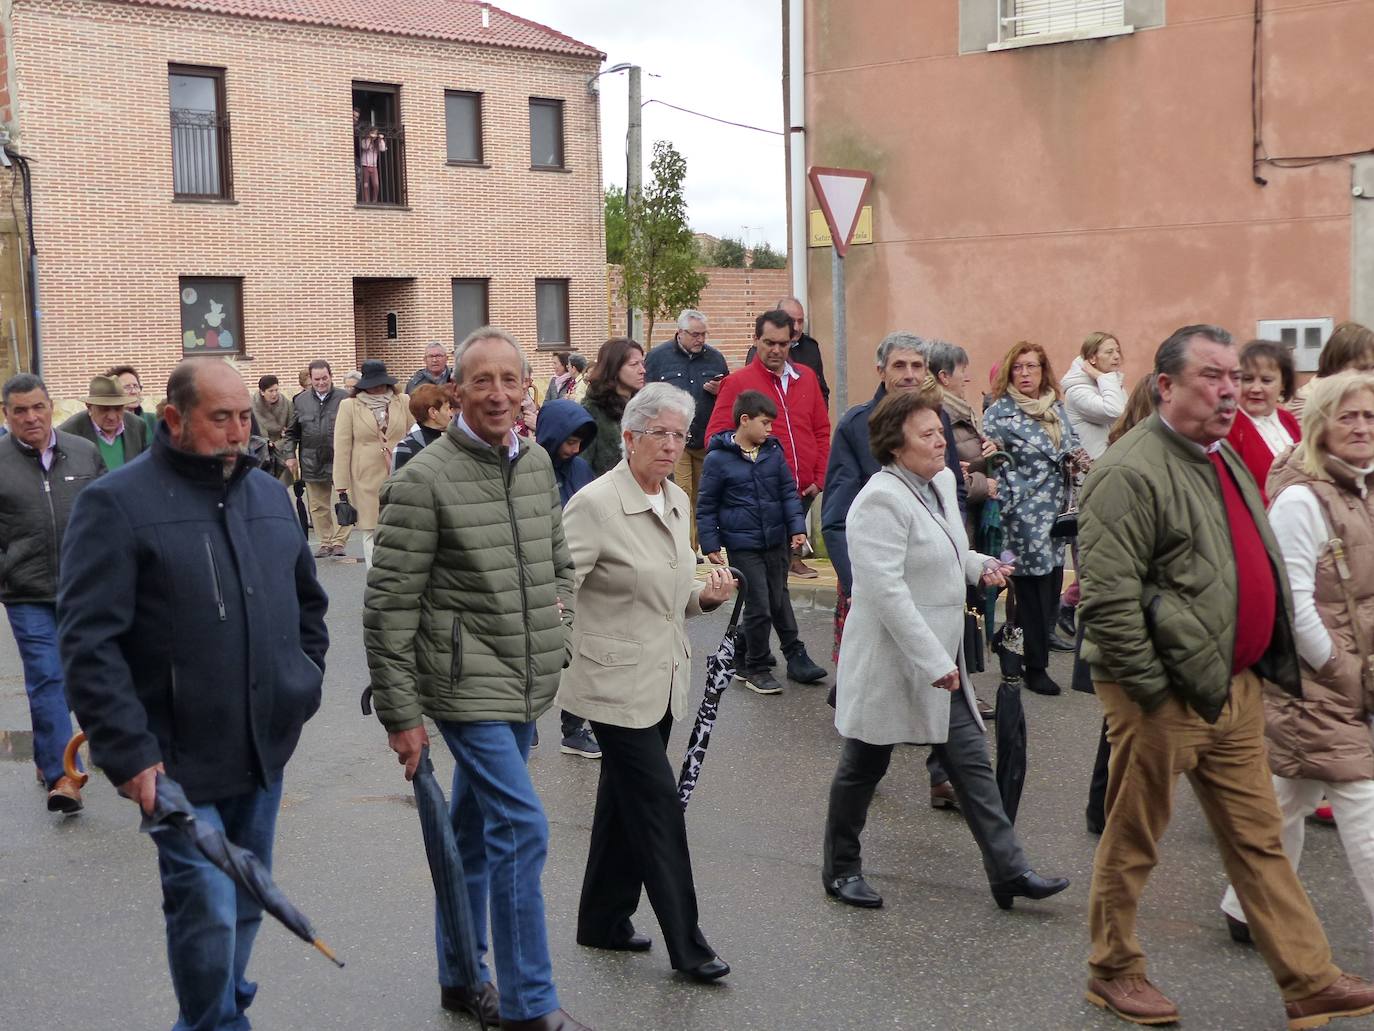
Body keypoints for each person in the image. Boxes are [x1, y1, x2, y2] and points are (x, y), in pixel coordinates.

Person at [1078, 324, 1374, 1028]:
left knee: (1259, 837)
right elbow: (1108, 602)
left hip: (1234, 686)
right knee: (1134, 835)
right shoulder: (1128, 470)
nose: (1229, 389)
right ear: (1166, 387)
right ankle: (1113, 968)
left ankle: (1308, 977)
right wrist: (1152, 691)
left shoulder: (1219, 456)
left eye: (1234, 376)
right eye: (1212, 376)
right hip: (1163, 694)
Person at [58, 358, 329, 1031]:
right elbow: (90, 642)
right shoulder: (116, 503)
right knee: (204, 902)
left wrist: (300, 685)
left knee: (243, 899)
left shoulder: (268, 496)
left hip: (262, 749)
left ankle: (218, 1006)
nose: (239, 431)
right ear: (174, 418)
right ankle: (215, 1021)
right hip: (173, 760)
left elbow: (309, 609)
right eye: (221, 418)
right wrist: (129, 754)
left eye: (244, 416)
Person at [364, 327, 592, 1031]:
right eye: (481, 380)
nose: (497, 393)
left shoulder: (533, 466)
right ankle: (529, 1005)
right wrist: (401, 716)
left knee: (470, 832)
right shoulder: (422, 480)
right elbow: (388, 604)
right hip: (464, 689)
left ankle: (461, 976)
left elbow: (559, 562)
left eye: (509, 380)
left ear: (528, 388)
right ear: (455, 391)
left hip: (523, 679)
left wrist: (559, 622)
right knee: (521, 825)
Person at [820, 389, 1069, 911]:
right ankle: (841, 869)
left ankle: (1009, 871)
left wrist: (979, 566)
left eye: (940, 430)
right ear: (895, 444)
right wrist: (933, 661)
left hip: (940, 659)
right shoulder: (879, 499)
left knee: (973, 764)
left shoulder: (938, 481)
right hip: (894, 659)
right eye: (928, 434)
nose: (942, 441)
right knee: (863, 765)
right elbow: (885, 592)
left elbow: (948, 547)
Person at [556, 381, 735, 984]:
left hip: (661, 680)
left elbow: (669, 591)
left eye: (679, 435)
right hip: (611, 685)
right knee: (658, 809)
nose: (670, 445)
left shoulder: (676, 500)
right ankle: (688, 944)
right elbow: (560, 591)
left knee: (621, 804)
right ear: (628, 438)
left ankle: (602, 920)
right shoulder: (595, 505)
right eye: (658, 433)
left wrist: (703, 596)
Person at [1215, 371, 1374, 947]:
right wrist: (1339, 670)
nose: (1360, 427)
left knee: (1291, 795)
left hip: (1353, 675)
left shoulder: (1363, 487)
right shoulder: (1302, 499)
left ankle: (1242, 907)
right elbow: (1292, 603)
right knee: (1363, 800)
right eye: (1347, 416)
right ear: (1320, 426)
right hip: (1315, 679)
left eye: (1370, 417)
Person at [0, 373, 103, 813]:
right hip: (26, 592)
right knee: (46, 676)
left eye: (37, 407)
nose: (30, 418)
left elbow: (106, 517)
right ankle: (65, 776)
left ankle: (48, 752)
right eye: (19, 410)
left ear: (50, 406)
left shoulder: (82, 453)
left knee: (80, 678)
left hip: (82, 589)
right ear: (6, 416)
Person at [696, 389, 826, 694]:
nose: (770, 430)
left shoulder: (772, 453)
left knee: (778, 599)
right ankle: (757, 667)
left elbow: (786, 494)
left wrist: (796, 528)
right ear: (745, 420)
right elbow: (706, 505)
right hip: (743, 545)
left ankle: (742, 652)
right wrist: (711, 544)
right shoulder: (717, 460)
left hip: (776, 542)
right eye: (765, 423)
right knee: (759, 606)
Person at [1078, 373, 1158, 836]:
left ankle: (1104, 808)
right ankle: (1104, 810)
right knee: (1122, 720)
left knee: (1121, 723)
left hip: (1130, 601)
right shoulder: (1123, 464)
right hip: (1124, 605)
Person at [982, 342, 1083, 696]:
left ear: (1043, 372)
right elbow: (991, 467)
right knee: (1030, 597)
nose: (1025, 374)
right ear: (1010, 373)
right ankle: (1034, 667)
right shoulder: (999, 414)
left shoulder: (1055, 408)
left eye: (1032, 367)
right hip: (1021, 517)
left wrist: (1076, 460)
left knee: (1051, 590)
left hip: (1056, 516)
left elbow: (1071, 444)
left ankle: (1009, 646)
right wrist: (1011, 500)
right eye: (1019, 368)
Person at [706, 309, 831, 579]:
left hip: (802, 491)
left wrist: (819, 477)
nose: (776, 350)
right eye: (769, 342)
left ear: (791, 343)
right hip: (759, 497)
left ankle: (769, 615)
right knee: (763, 579)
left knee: (780, 579)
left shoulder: (807, 377)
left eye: (783, 344)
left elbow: (821, 430)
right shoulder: (737, 382)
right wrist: (748, 471)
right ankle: (757, 618)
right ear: (756, 340)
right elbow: (716, 437)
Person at [533, 397, 601, 760]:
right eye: (568, 441)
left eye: (579, 443)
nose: (573, 450)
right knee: (535, 653)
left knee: (577, 654)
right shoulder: (529, 467)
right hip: (536, 573)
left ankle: (573, 729)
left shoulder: (580, 470)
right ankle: (525, 723)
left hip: (577, 573)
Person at [644, 309, 729, 554]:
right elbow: (647, 396)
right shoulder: (658, 358)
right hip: (675, 439)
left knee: (705, 495)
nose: (700, 340)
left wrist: (718, 391)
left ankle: (704, 545)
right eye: (694, 334)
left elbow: (728, 395)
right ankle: (687, 550)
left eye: (703, 334)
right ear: (680, 332)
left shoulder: (715, 358)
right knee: (681, 493)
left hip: (706, 438)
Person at [333, 359, 409, 568]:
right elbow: (342, 446)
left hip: (400, 474)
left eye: (381, 383)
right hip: (364, 477)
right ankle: (376, 579)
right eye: (372, 384)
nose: (377, 388)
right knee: (371, 530)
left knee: (400, 527)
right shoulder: (349, 406)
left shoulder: (403, 401)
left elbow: (414, 436)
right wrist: (341, 484)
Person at [282, 360, 350, 558]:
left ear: (331, 376)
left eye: (325, 378)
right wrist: (289, 456)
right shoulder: (300, 401)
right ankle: (325, 542)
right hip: (312, 460)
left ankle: (339, 542)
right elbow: (292, 432)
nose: (321, 382)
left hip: (339, 459)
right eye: (317, 379)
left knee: (343, 502)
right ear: (310, 379)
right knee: (318, 505)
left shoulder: (345, 399)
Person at [1228, 339, 1302, 503]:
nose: (1255, 388)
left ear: (1283, 384)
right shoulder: (1230, 427)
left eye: (1266, 380)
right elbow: (1234, 488)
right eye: (1247, 379)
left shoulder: (1288, 420)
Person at [745, 296, 831, 405]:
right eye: (791, 321)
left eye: (800, 321)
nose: (796, 327)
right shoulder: (760, 351)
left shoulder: (811, 348)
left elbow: (821, 391)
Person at [581, 337, 645, 476]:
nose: (642, 370)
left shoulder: (644, 409)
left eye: (642, 363)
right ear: (614, 368)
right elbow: (582, 467)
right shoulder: (591, 412)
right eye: (634, 364)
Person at [59, 375, 149, 471]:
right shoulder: (68, 433)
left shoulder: (138, 426)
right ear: (89, 407)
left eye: (118, 408)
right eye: (104, 409)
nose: (112, 417)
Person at [1061, 332, 1126, 461]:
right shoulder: (1077, 391)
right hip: (1091, 471)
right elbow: (1115, 411)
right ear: (1092, 358)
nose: (1117, 356)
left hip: (1113, 465)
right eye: (1109, 352)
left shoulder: (1111, 383)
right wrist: (1102, 377)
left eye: (1118, 351)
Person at [1290, 321, 1374, 418]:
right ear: (1337, 366)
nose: (1371, 376)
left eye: (1373, 368)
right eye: (1362, 368)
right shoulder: (1309, 402)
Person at [392, 383, 452, 472]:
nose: (451, 414)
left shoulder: (452, 440)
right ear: (433, 412)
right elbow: (398, 485)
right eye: (447, 409)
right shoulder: (406, 449)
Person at [251, 374, 293, 484]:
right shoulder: (251, 407)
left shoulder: (287, 405)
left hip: (281, 453)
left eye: (276, 390)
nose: (274, 394)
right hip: (260, 454)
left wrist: (278, 444)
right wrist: (264, 443)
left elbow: (292, 432)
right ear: (262, 392)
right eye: (270, 391)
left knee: (280, 489)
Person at [107, 364, 158, 437]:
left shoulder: (153, 420)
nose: (134, 391)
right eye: (127, 387)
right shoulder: (109, 424)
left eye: (136, 386)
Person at [359, 124, 386, 203]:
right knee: (366, 184)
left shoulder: (377, 143)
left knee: (376, 184)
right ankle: (367, 201)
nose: (374, 135)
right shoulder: (364, 140)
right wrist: (369, 139)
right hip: (365, 165)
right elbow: (365, 147)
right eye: (373, 132)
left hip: (374, 166)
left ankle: (375, 200)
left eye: (376, 133)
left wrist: (381, 140)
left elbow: (383, 149)